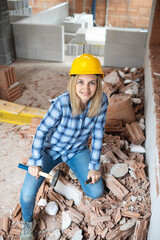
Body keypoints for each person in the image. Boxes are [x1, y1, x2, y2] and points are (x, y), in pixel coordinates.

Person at [20, 53, 108, 240]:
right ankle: (28, 222)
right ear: (74, 82)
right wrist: (35, 161)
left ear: (98, 84)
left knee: (96, 191)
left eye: (92, 82)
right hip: (51, 151)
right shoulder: (62, 103)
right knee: (27, 195)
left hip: (77, 150)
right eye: (81, 82)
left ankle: (76, 167)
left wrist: (94, 166)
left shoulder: (102, 102)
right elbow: (41, 132)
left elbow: (98, 134)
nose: (86, 88)